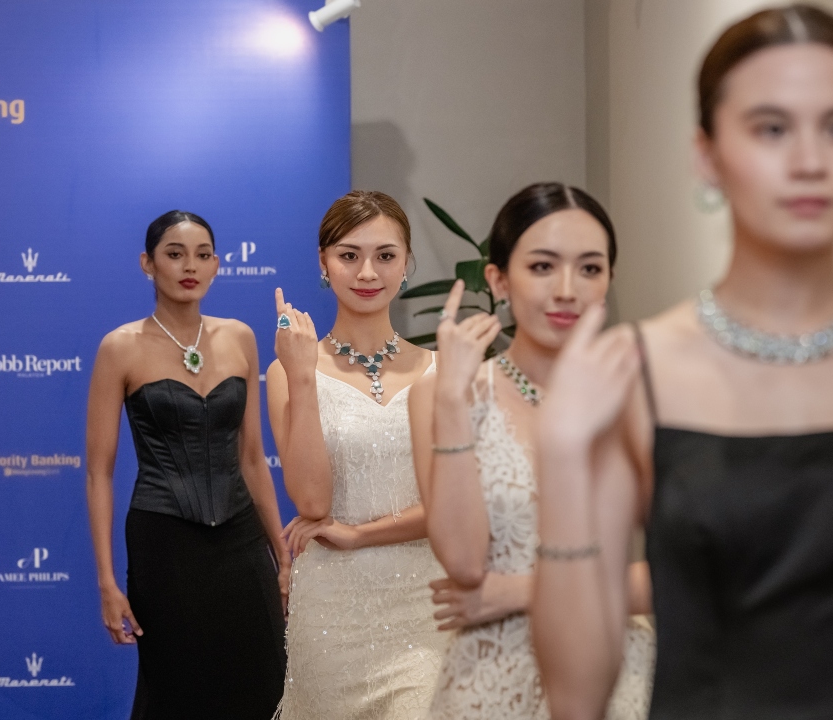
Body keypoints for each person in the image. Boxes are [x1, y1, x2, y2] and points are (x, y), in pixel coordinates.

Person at [531, 6, 833, 720]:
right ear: (707, 155)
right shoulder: (637, 374)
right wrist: (564, 457)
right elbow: (575, 697)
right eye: (772, 129)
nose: (810, 160)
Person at [410, 182, 654, 720]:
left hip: (610, 667)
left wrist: (522, 591)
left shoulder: (635, 396)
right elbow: (464, 563)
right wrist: (451, 401)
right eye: (543, 266)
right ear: (498, 280)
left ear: (609, 279)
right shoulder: (443, 394)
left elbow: (688, 571)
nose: (567, 290)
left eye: (590, 269)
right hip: (489, 676)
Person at [85, 210, 289, 720]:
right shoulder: (119, 347)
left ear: (217, 265)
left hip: (242, 541)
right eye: (174, 254)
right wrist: (107, 582)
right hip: (163, 546)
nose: (189, 266)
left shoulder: (240, 337)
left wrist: (282, 557)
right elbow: (98, 474)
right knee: (177, 693)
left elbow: (252, 457)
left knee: (266, 684)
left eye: (202, 255)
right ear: (147, 263)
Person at [268, 190, 447, 719]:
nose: (368, 272)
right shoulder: (287, 372)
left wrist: (360, 534)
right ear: (324, 263)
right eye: (349, 255)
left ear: (406, 263)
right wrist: (302, 375)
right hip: (331, 613)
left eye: (385, 255)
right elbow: (312, 502)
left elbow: (452, 508)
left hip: (424, 606)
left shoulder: (441, 370)